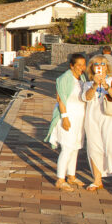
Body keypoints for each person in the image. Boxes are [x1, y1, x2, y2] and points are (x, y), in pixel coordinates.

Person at [82, 56, 112, 198]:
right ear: (92, 67)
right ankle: (97, 180)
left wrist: (106, 86)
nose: (99, 66)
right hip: (93, 119)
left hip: (111, 119)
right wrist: (95, 85)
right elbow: (86, 98)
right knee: (94, 149)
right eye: (96, 64)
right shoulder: (88, 83)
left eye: (102, 64)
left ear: (107, 67)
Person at [45, 53, 87, 191]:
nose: (82, 67)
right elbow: (60, 99)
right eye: (79, 65)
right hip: (68, 116)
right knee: (67, 148)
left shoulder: (82, 78)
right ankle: (60, 179)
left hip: (79, 118)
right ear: (72, 66)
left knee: (75, 147)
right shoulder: (64, 78)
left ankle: (71, 176)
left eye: (83, 65)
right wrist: (65, 117)